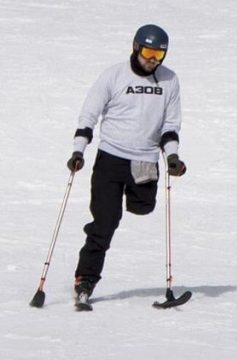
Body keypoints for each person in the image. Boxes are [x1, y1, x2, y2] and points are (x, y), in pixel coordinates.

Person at [66, 24, 186, 307]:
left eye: (159, 54)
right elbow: (89, 114)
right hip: (110, 158)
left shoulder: (169, 81)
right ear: (135, 48)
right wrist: (78, 150)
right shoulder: (114, 75)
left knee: (143, 207)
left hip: (144, 161)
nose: (152, 59)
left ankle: (133, 200)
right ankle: (85, 280)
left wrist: (172, 157)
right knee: (105, 222)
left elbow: (171, 123)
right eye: (147, 52)